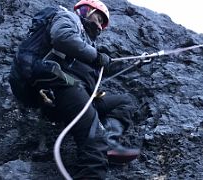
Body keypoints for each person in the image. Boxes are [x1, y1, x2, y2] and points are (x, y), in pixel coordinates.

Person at [9, 0, 140, 179]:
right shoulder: (69, 18)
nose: (100, 24)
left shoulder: (87, 43)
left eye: (103, 22)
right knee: (94, 139)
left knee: (124, 101)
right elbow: (62, 37)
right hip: (61, 86)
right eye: (98, 16)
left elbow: (92, 66)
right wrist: (96, 56)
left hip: (79, 93)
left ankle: (110, 140)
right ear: (85, 11)